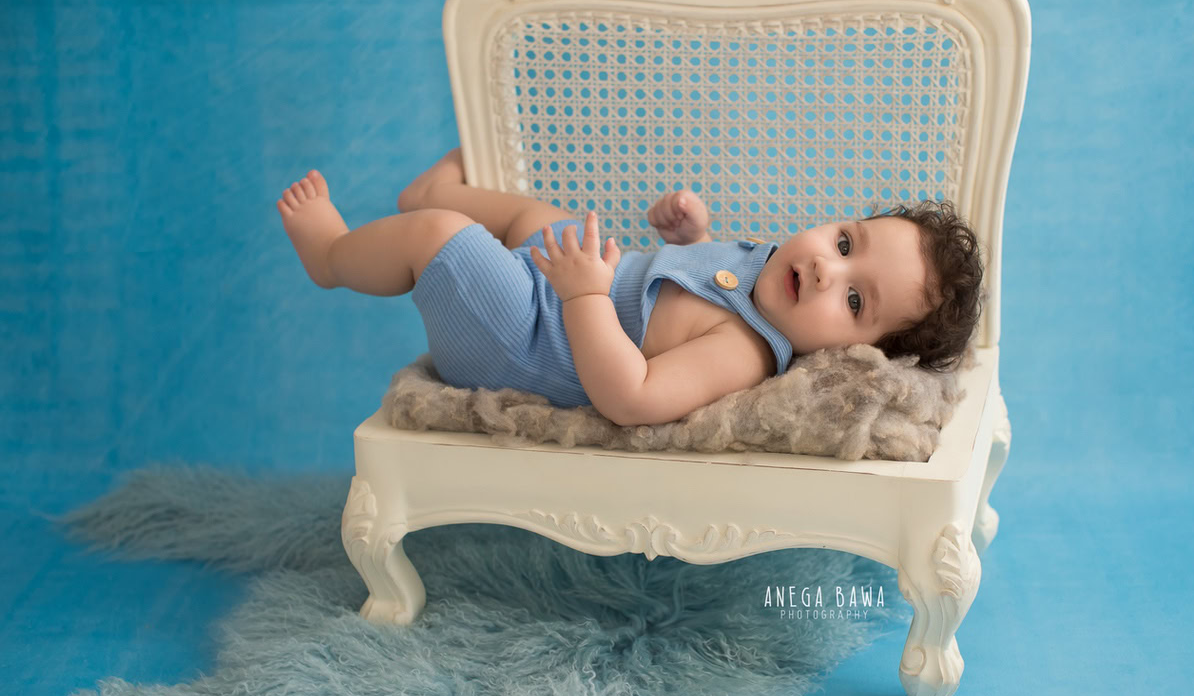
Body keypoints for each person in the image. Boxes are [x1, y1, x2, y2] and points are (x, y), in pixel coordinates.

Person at [278, 149, 983, 426]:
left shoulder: (744, 351)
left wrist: (585, 297)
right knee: (537, 217)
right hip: (559, 292)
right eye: (845, 242)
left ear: (857, 353)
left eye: (855, 302)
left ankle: (332, 255)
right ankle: (437, 193)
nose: (829, 268)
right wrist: (691, 237)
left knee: (438, 236)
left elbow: (632, 396)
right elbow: (695, 291)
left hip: (528, 342)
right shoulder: (769, 272)